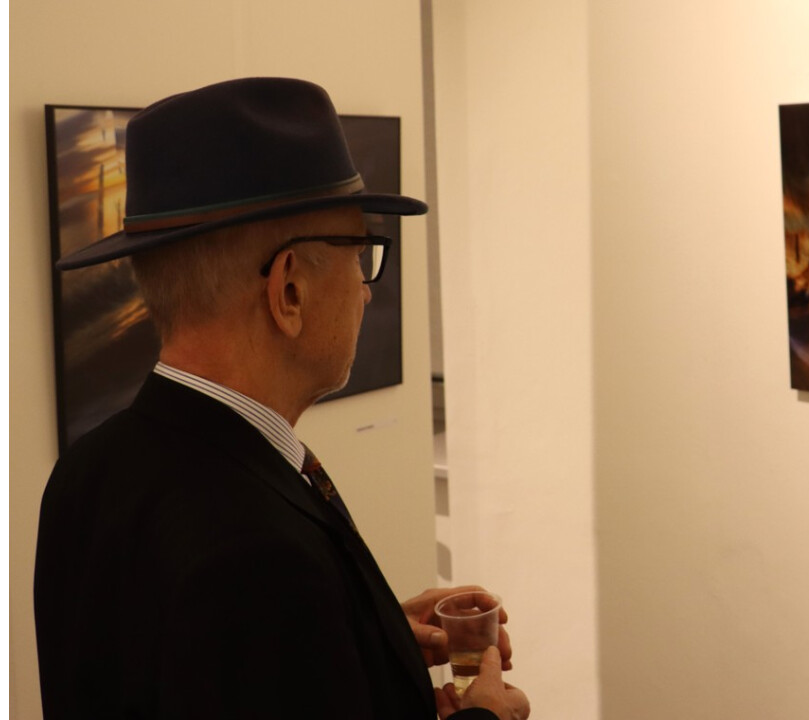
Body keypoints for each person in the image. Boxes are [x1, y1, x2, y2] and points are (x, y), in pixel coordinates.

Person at [33, 77, 530, 720]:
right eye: (359, 255)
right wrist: (486, 718)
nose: (366, 290)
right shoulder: (261, 558)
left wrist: (370, 639)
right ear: (289, 291)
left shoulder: (87, 471)